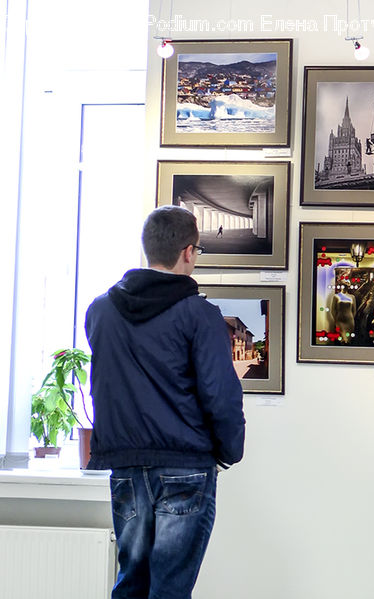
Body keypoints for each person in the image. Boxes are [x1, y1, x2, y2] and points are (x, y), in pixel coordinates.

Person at [85, 205, 246, 599]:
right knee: (170, 589)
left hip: (125, 467)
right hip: (185, 468)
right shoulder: (200, 315)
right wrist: (229, 451)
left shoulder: (100, 311)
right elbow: (219, 396)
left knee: (130, 584)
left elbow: (102, 387)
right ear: (189, 252)